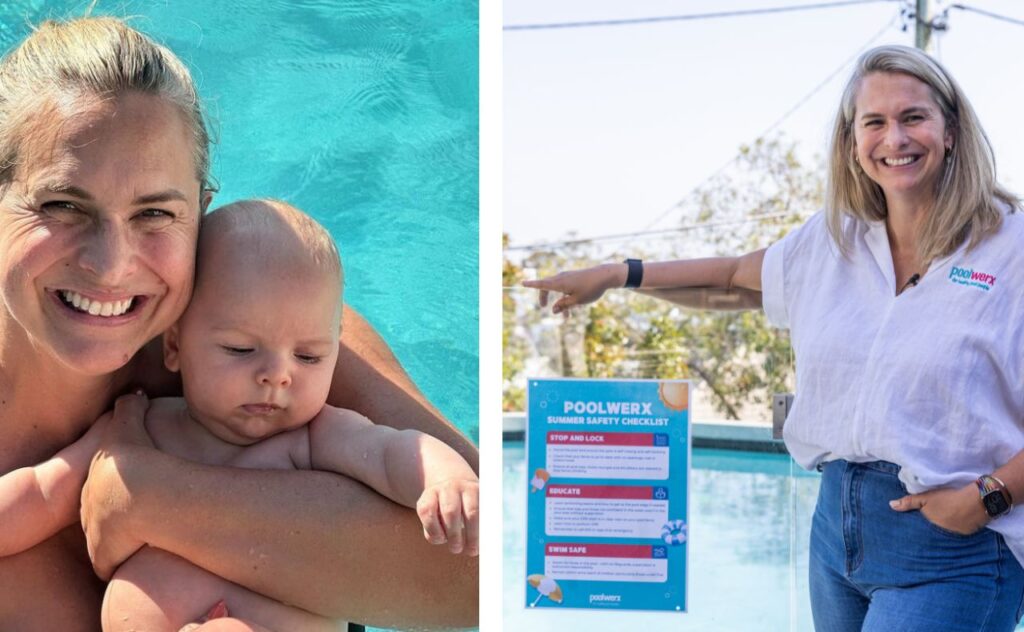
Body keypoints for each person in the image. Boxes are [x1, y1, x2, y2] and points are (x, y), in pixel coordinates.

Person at [0, 16, 477, 630]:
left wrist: (157, 500)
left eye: (154, 213)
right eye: (62, 204)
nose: (110, 266)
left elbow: (497, 569)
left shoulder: (274, 333)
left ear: (200, 210)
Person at [525, 44, 1024, 631]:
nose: (895, 138)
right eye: (875, 122)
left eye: (913, 116)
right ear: (851, 143)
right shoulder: (833, 241)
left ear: (951, 129)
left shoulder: (1011, 248)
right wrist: (618, 275)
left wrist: (989, 496)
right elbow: (733, 278)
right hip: (835, 537)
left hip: (953, 547)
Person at [0, 199, 480, 630]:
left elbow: (395, 450)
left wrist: (445, 482)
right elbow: (45, 490)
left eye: (310, 357)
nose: (277, 375)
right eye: (240, 349)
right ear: (175, 347)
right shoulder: (139, 424)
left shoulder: (317, 436)